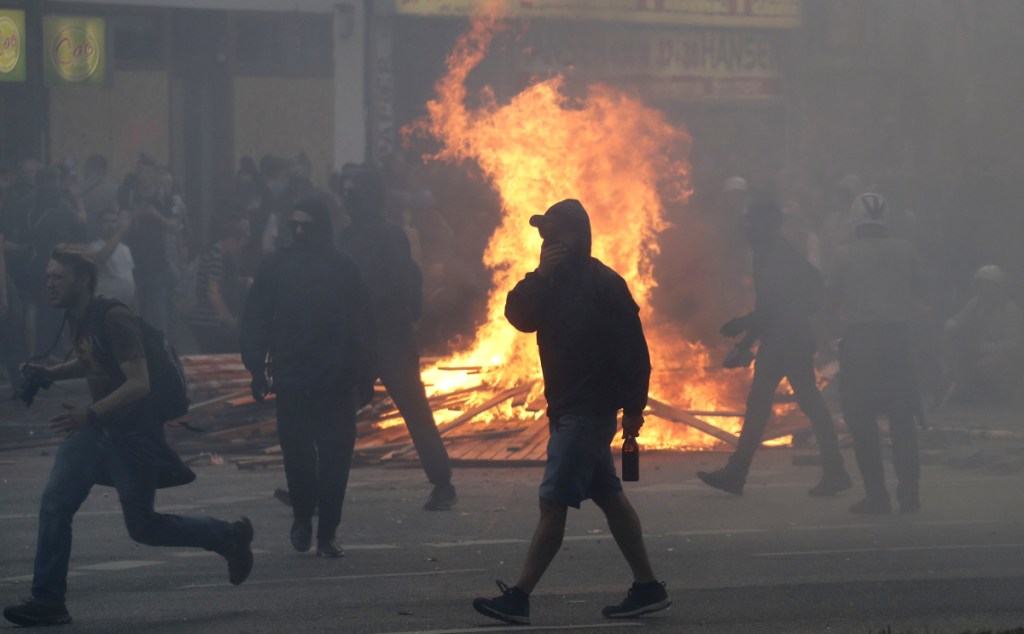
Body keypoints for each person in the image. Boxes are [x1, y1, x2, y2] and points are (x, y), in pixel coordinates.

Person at [2, 244, 253, 627]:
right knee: (55, 507)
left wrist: (89, 412)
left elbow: (138, 383)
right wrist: (53, 373)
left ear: (83, 281)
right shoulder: (78, 316)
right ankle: (48, 600)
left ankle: (229, 536)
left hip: (133, 435)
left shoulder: (114, 318)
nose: (49, 283)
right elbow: (94, 360)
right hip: (98, 430)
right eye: (49, 275)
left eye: (58, 277)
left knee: (144, 527)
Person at [472, 199, 670, 625]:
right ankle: (648, 587)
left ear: (578, 235)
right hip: (567, 410)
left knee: (553, 504)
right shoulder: (549, 282)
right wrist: (540, 275)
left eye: (556, 232)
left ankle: (520, 596)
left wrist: (634, 409)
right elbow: (519, 317)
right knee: (611, 499)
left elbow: (635, 354)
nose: (547, 240)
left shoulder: (605, 284)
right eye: (543, 233)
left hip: (587, 413)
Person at [240, 199, 374, 558]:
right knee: (297, 458)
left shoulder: (343, 268)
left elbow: (362, 323)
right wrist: (256, 367)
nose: (299, 232)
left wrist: (365, 374)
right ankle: (302, 517)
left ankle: (327, 533)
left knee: (335, 461)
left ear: (322, 228)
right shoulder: (276, 266)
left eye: (306, 226)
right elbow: (256, 317)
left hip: (337, 379)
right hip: (292, 377)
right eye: (293, 225)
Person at [697, 201, 851, 497]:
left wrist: (743, 324)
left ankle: (834, 471)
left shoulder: (775, 254)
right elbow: (770, 308)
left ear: (767, 225)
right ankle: (739, 472)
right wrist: (747, 340)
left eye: (753, 223)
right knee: (768, 405)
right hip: (781, 339)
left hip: (787, 342)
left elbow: (773, 306)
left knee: (801, 404)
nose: (748, 229)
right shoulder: (774, 252)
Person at [337, 165, 457, 511]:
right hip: (363, 340)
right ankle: (315, 487)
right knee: (338, 414)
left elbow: (402, 284)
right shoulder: (348, 237)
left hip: (389, 337)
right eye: (346, 192)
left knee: (414, 409)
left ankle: (442, 483)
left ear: (369, 197)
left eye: (353, 193)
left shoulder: (388, 236)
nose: (347, 199)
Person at [828, 193, 927, 514]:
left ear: (856, 221)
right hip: (898, 343)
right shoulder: (906, 250)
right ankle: (910, 495)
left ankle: (876, 495)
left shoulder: (843, 255)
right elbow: (923, 290)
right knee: (902, 422)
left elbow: (831, 300)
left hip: (861, 345)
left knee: (862, 421)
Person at [942, 265, 1023, 406]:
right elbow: (957, 320)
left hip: (1008, 358)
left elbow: (1014, 345)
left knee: (985, 366)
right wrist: (950, 330)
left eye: (988, 286)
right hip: (980, 351)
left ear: (999, 288)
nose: (983, 290)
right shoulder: (976, 303)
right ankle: (966, 393)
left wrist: (982, 347)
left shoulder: (1010, 309)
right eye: (980, 285)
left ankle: (1001, 398)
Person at [188, 216, 250, 353]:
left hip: (202, 321)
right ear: (232, 240)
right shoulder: (216, 257)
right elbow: (213, 293)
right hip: (207, 320)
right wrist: (229, 320)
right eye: (240, 245)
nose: (239, 250)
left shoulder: (209, 252)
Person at [89, 208, 135, 307]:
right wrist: (119, 233)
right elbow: (100, 259)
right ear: (99, 225)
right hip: (104, 306)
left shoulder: (125, 248)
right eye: (106, 221)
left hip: (126, 305)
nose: (111, 225)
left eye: (114, 221)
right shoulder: (93, 247)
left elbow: (130, 277)